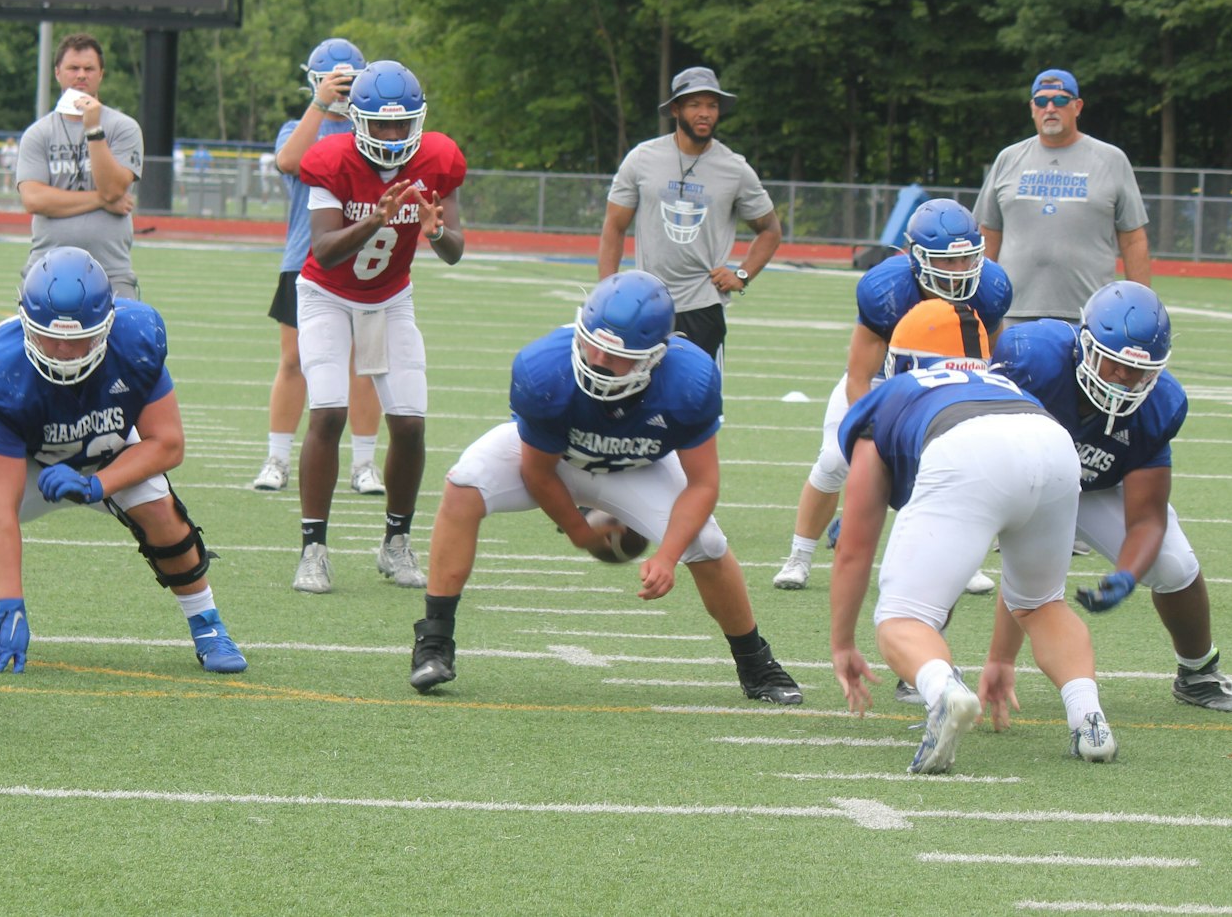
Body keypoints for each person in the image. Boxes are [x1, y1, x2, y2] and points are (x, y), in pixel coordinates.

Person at [408, 271, 803, 703]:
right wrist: (579, 531)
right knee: (464, 484)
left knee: (706, 543)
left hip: (639, 467)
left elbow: (704, 483)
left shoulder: (690, 380)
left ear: (655, 356)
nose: (597, 361)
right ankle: (434, 642)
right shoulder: (544, 369)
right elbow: (537, 472)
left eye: (617, 356)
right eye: (592, 343)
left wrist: (667, 557)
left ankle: (756, 663)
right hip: (557, 459)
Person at [829, 299, 1116, 773]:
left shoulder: (894, 392)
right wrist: (1001, 658)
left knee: (902, 617)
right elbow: (1020, 592)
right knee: (1043, 602)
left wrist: (842, 644)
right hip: (1052, 442)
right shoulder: (1005, 382)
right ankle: (1089, 717)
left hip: (965, 448)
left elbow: (854, 549)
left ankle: (944, 690)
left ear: (902, 361)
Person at [0, 247, 248, 675]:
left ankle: (208, 624)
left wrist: (98, 485)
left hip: (107, 451)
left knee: (160, 507)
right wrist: (10, 605)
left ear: (108, 323)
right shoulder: (0, 370)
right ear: (26, 324)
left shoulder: (135, 343)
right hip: (27, 457)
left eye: (78, 337)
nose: (64, 351)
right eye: (51, 337)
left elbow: (168, 444)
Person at [991, 280, 1232, 713]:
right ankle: (918, 667)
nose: (1124, 379)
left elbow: (1147, 518)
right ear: (1085, 345)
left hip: (1093, 488)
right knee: (948, 545)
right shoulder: (1029, 355)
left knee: (1175, 564)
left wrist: (1128, 575)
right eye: (1113, 364)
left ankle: (1198, 671)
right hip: (1011, 473)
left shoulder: (1161, 404)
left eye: (1138, 371)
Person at [289, 59, 466, 595]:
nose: (392, 135)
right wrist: (375, 219)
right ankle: (313, 549)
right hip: (326, 295)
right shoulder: (330, 157)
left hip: (391, 298)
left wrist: (437, 234)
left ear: (418, 121)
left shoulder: (438, 157)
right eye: (382, 125)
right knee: (329, 412)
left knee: (410, 423)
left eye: (401, 124)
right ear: (358, 121)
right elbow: (322, 247)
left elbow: (455, 250)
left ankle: (395, 543)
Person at [774, 199, 1009, 601]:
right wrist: (871, 438)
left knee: (954, 467)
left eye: (966, 260)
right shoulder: (886, 290)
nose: (957, 273)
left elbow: (991, 362)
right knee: (834, 458)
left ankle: (961, 561)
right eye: (945, 262)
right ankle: (800, 555)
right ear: (916, 257)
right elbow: (859, 376)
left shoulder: (991, 288)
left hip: (950, 382)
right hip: (886, 379)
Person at [252, 38, 387, 500]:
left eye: (349, 81)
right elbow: (288, 160)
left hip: (366, 262)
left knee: (365, 365)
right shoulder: (299, 125)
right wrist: (320, 101)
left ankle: (365, 463)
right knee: (294, 361)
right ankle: (277, 457)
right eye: (333, 80)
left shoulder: (371, 128)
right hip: (304, 259)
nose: (342, 89)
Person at [597, 66, 781, 367]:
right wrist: (606, 292)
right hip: (646, 302)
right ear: (675, 109)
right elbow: (613, 228)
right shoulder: (642, 158)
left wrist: (742, 275)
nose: (705, 113)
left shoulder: (734, 168)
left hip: (703, 306)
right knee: (634, 396)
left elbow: (770, 229)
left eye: (711, 105)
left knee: (698, 403)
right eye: (695, 104)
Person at [974, 68, 1152, 324]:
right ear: (1032, 107)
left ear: (1077, 107)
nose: (1050, 108)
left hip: (1091, 316)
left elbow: (1133, 239)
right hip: (1012, 312)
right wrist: (982, 303)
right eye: (1041, 101)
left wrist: (1141, 305)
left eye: (1059, 100)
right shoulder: (1008, 159)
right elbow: (989, 234)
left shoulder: (1111, 159)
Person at [17, 32, 145, 299]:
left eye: (89, 68)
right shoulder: (38, 133)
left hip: (112, 271)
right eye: (73, 68)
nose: (81, 75)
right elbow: (34, 199)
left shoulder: (124, 127)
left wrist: (94, 129)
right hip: (46, 268)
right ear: (57, 73)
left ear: (101, 74)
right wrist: (100, 200)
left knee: (126, 340)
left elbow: (113, 189)